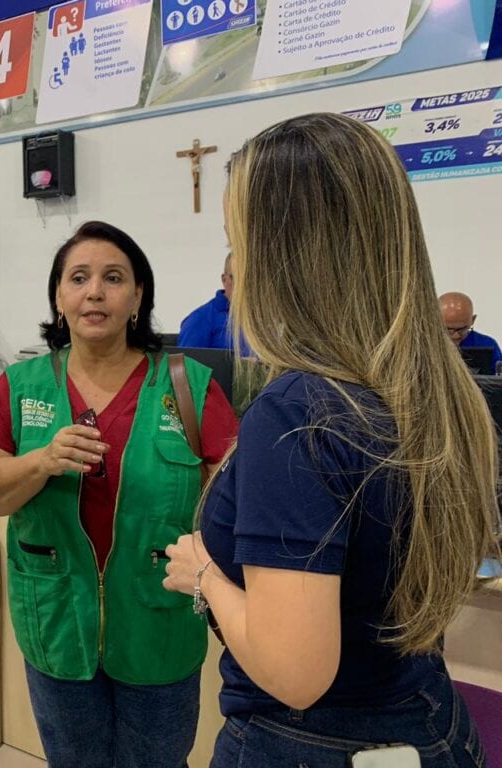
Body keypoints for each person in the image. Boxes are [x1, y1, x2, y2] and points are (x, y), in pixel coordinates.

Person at [164, 113, 497, 767]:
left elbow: (295, 672)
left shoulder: (298, 414)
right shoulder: (432, 391)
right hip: (425, 718)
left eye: (240, 241)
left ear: (280, 254)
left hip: (314, 741)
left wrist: (204, 575)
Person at [0, 221, 239, 768]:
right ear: (59, 297)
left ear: (138, 297)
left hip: (160, 620)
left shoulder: (188, 385)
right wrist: (41, 461)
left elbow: (233, 502)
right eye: (79, 278)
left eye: (114, 278)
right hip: (57, 620)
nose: (95, 291)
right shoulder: (20, 386)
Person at [177, 253, 235, 349]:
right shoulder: (200, 319)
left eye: (249, 278)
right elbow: (178, 364)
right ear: (224, 280)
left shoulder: (260, 320)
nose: (243, 285)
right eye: (237, 278)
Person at [439, 291, 502, 371]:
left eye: (462, 329)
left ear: (472, 320)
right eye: (448, 329)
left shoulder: (487, 344)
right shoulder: (425, 345)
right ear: (436, 321)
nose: (456, 336)